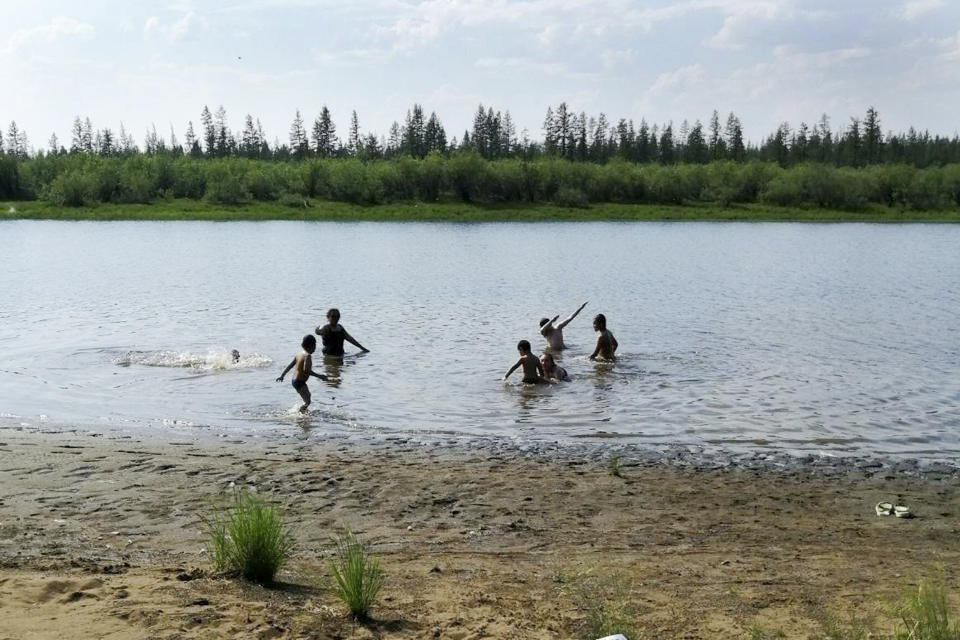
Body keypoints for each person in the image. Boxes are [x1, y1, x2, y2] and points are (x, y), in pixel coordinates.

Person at [276, 335, 327, 413]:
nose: (315, 348)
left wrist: (282, 376)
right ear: (311, 345)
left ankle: (302, 413)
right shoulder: (308, 356)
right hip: (299, 382)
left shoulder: (299, 354)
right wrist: (320, 376)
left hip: (294, 380)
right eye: (315, 345)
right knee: (308, 402)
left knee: (308, 396)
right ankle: (300, 413)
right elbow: (307, 371)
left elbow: (290, 366)